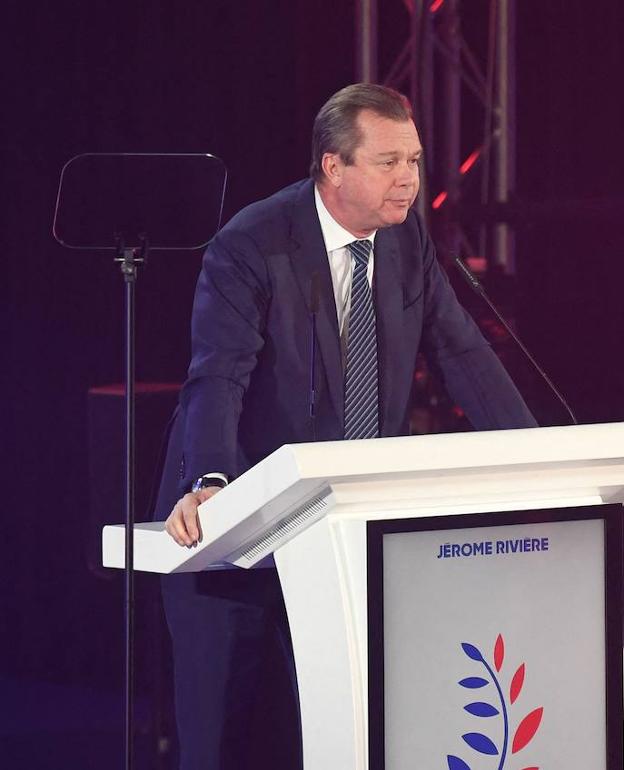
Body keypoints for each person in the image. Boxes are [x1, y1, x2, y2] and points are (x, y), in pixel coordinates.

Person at [152, 83, 537, 770]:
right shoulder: (253, 243)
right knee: (223, 741)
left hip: (342, 530)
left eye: (414, 160)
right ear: (334, 166)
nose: (409, 179)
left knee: (342, 734)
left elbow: (462, 354)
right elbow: (218, 375)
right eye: (389, 162)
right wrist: (210, 479)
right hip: (236, 527)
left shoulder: (406, 240)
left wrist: (534, 456)